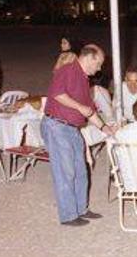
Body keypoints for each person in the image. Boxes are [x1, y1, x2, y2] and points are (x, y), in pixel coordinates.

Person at [42, 44, 116, 226]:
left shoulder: (84, 79)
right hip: (57, 126)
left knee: (81, 170)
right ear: (89, 58)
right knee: (65, 171)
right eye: (98, 63)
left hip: (73, 128)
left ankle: (81, 208)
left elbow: (89, 111)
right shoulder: (67, 70)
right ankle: (68, 215)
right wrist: (78, 106)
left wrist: (105, 128)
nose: (99, 68)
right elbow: (57, 94)